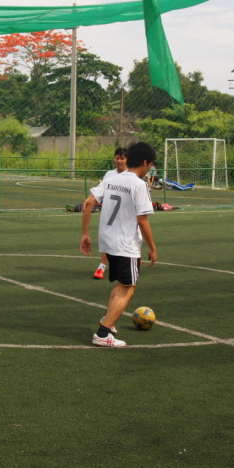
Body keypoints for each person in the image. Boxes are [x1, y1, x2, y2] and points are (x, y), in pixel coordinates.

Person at [80, 141, 157, 348]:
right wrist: (152, 247)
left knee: (121, 285)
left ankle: (109, 322)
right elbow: (142, 220)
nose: (151, 168)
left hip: (107, 241)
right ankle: (102, 332)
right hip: (126, 244)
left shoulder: (112, 179)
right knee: (128, 288)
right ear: (144, 162)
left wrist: (85, 234)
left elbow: (88, 203)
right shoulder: (139, 185)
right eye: (151, 164)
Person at [93, 147, 127, 280]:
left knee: (125, 240)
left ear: (127, 160)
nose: (119, 161)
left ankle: (132, 259)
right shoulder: (109, 174)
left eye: (122, 158)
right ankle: (102, 267)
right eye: (117, 158)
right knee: (108, 240)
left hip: (125, 215)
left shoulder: (131, 176)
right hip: (110, 215)